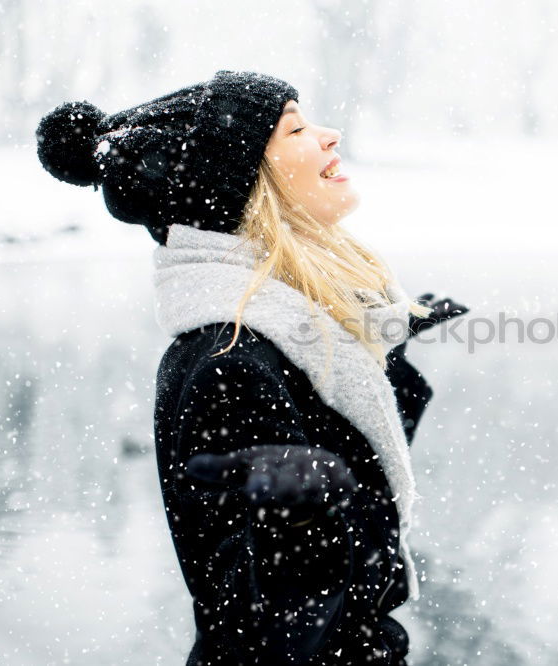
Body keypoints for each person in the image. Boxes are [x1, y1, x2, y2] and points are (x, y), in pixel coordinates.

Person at [35, 69, 469, 665]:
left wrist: (383, 364)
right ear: (240, 185)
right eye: (295, 129)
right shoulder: (230, 367)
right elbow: (252, 641)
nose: (330, 134)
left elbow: (365, 521)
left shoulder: (293, 338)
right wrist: (302, 526)